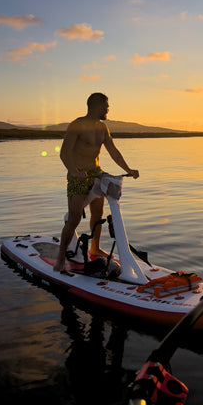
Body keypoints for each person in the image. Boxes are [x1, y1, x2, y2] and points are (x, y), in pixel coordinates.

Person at [53, 93, 139, 272]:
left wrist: (129, 169)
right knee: (74, 218)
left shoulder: (103, 128)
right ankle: (60, 258)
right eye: (106, 106)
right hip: (77, 175)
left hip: (96, 174)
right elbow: (64, 153)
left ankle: (95, 247)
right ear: (95, 106)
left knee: (98, 214)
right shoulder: (77, 125)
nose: (108, 109)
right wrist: (75, 172)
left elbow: (113, 152)